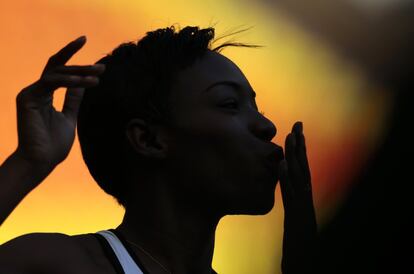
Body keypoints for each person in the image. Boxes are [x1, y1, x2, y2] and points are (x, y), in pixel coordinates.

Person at [0, 26, 317, 274]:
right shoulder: (57, 264)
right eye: (230, 104)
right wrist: (28, 162)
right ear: (149, 140)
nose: (267, 126)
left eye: (255, 106)